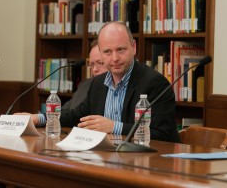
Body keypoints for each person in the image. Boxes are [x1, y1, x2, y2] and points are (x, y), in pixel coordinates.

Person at [33, 21, 179, 142]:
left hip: (142, 162)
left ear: (133, 47)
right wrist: (38, 118)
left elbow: (163, 135)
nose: (114, 58)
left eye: (120, 50)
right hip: (104, 158)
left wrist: (114, 127)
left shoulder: (155, 83)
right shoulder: (98, 83)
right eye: (107, 52)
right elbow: (75, 117)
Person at [16, 40, 108, 125]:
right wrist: (37, 118)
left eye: (100, 63)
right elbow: (66, 112)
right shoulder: (85, 84)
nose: (95, 69)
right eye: (92, 64)